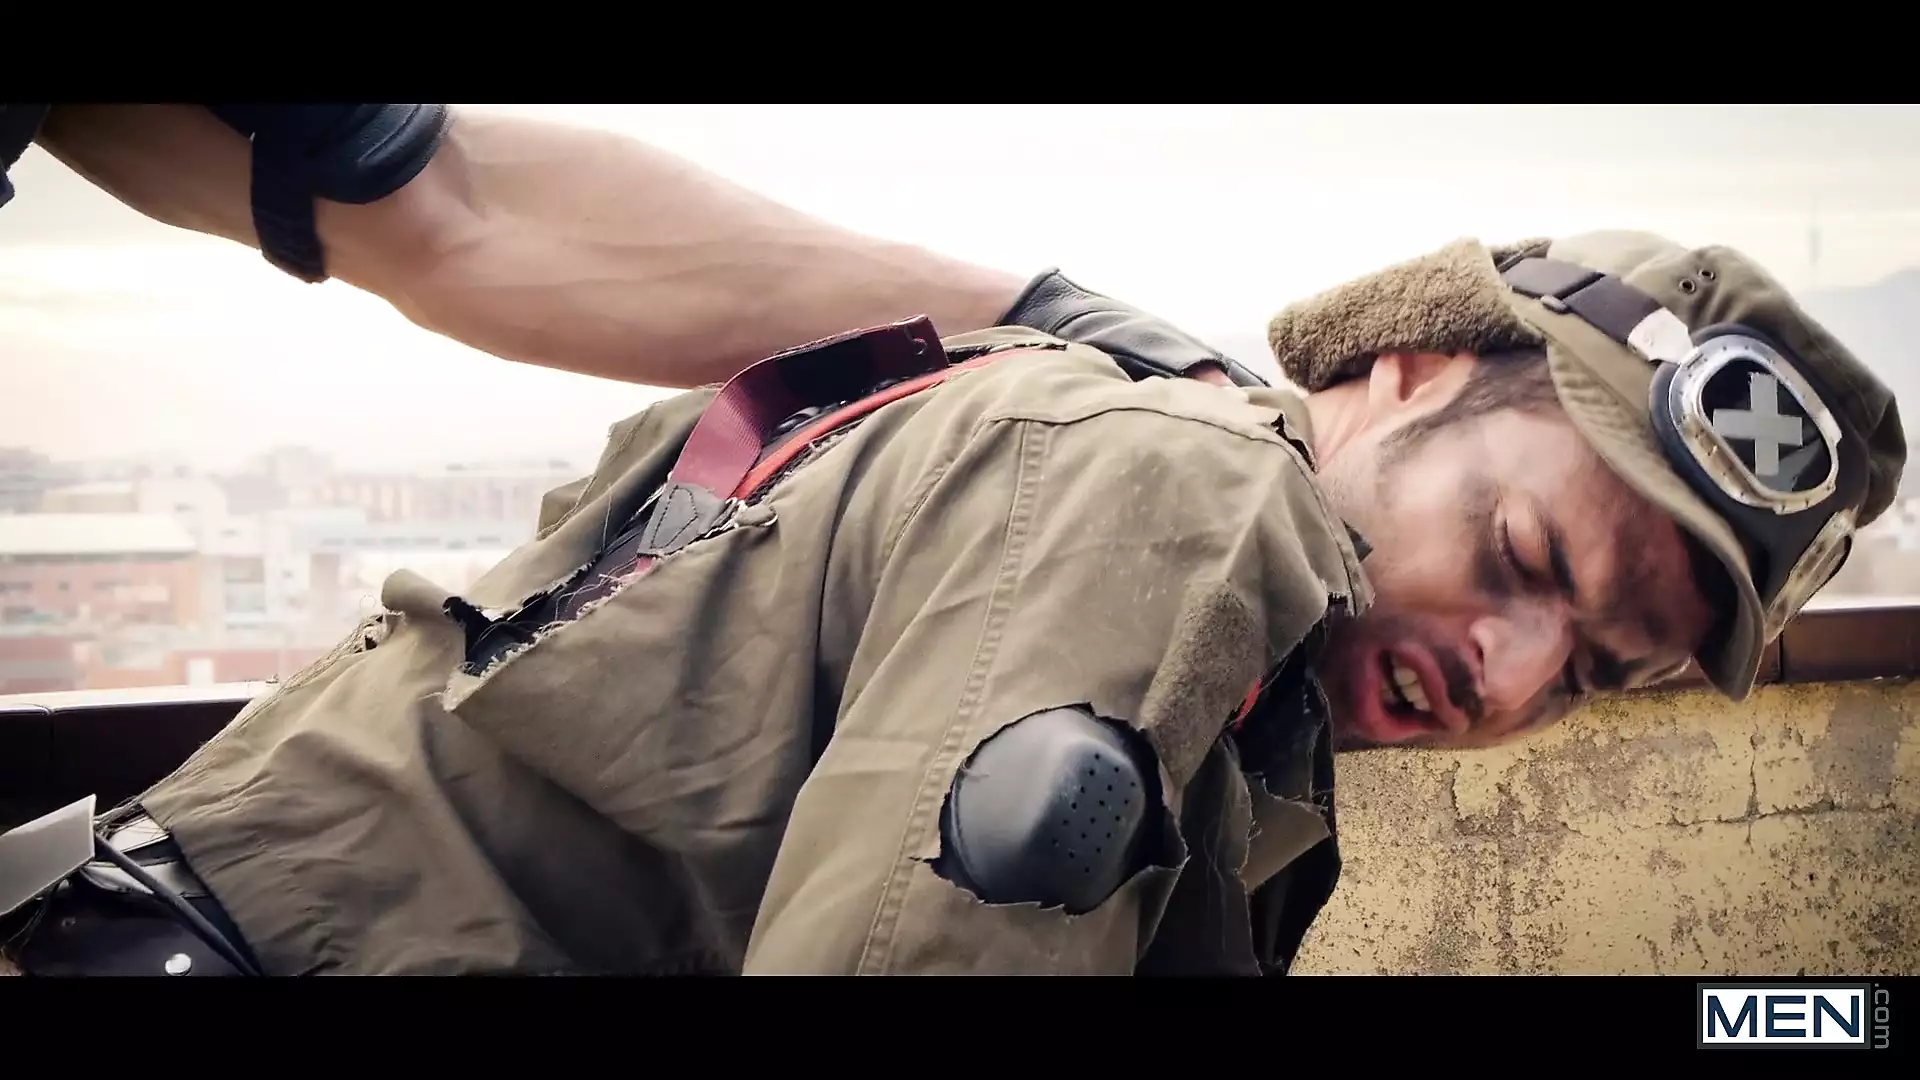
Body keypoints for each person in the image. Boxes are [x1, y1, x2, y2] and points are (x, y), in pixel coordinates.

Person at [0, 108, 1906, 975]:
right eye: (1525, 556)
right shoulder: (1193, 491)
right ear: (1405, 372)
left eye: (1594, 671)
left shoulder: (1244, 667)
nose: (1511, 673)